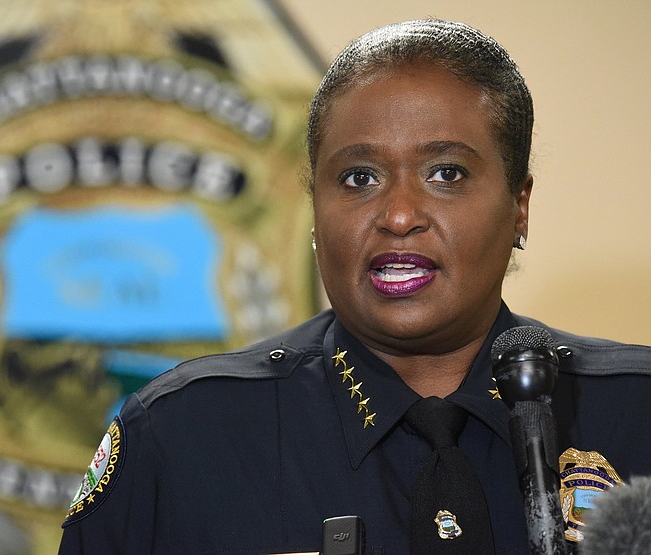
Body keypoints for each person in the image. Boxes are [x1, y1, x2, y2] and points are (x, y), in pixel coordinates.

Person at [58, 19, 651, 554]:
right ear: (314, 208)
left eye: (446, 174)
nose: (398, 215)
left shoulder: (635, 414)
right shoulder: (182, 437)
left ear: (519, 207)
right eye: (358, 177)